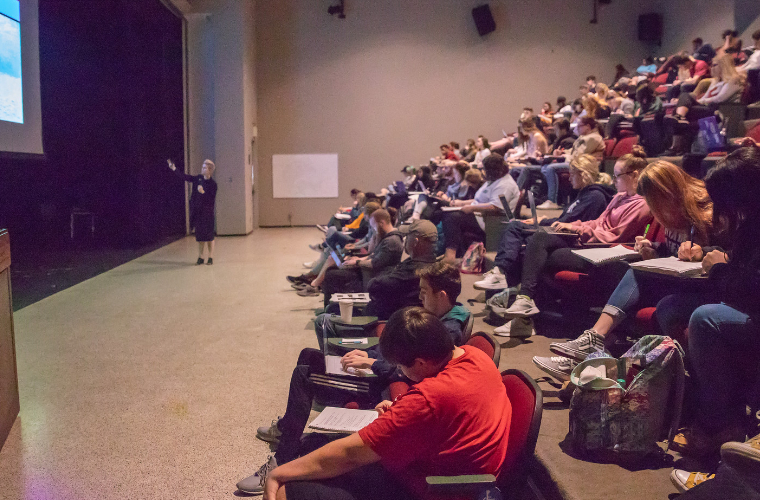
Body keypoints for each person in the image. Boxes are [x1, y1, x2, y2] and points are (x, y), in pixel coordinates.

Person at [235, 265, 472, 496]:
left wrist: (372, 363)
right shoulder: (436, 320)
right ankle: (288, 426)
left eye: (424, 292)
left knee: (306, 374)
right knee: (309, 357)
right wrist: (369, 355)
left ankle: (283, 457)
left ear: (441, 295)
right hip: (380, 371)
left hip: (379, 381)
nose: (420, 297)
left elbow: (408, 367)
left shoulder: (448, 330)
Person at [255, 307, 512, 500]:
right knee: (313, 445)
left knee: (289, 490)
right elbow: (450, 418)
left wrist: (279, 474)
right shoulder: (475, 356)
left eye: (401, 366)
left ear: (421, 362)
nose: (399, 371)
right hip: (457, 473)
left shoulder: (428, 399)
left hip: (433, 489)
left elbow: (350, 454)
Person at [533, 161, 714, 380]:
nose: (656, 213)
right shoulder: (668, 213)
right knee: (630, 271)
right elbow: (673, 253)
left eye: (657, 203)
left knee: (632, 276)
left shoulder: (706, 215)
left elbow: (725, 255)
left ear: (669, 194)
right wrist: (653, 253)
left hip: (700, 287)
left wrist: (702, 252)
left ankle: (592, 353)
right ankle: (591, 349)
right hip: (676, 279)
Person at [654, 146, 760, 457]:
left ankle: (721, 423)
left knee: (705, 319)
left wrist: (719, 268)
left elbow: (752, 289)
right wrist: (715, 257)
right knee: (669, 307)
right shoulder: (750, 221)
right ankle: (694, 399)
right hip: (746, 300)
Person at [503, 147, 653, 319]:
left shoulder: (642, 205)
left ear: (634, 175)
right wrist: (574, 225)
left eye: (617, 176)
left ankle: (526, 305)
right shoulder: (620, 197)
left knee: (541, 253)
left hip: (603, 251)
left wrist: (578, 229)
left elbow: (614, 236)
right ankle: (525, 301)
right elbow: (599, 222)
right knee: (540, 239)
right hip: (589, 244)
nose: (613, 180)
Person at [477, 154, 614, 294]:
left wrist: (543, 221)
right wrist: (543, 221)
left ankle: (502, 279)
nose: (569, 178)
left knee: (517, 229)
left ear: (582, 174)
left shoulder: (595, 197)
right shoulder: (584, 194)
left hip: (570, 238)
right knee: (517, 234)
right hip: (560, 232)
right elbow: (566, 219)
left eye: (572, 174)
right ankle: (501, 281)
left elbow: (569, 223)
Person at [441, 153, 519, 262]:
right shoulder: (493, 181)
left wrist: (471, 208)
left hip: (493, 221)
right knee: (442, 212)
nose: (483, 172)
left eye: (485, 169)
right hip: (480, 215)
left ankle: (450, 256)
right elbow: (480, 200)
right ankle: (445, 251)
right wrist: (461, 203)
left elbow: (496, 206)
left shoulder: (506, 185)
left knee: (452, 218)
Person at [664, 54, 746, 155]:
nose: (711, 68)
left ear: (723, 66)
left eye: (715, 65)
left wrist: (701, 101)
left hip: (720, 110)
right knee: (684, 104)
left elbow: (720, 98)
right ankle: (679, 122)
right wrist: (701, 101)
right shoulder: (715, 82)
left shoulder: (733, 80)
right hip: (708, 109)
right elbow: (705, 97)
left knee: (684, 98)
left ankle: (676, 144)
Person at [319, 209, 404, 306]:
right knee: (332, 270)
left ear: (381, 223)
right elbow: (374, 255)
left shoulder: (391, 241)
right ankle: (330, 306)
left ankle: (330, 308)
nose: (373, 229)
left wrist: (357, 262)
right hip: (369, 272)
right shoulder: (388, 238)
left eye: (374, 226)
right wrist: (358, 259)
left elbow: (374, 264)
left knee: (332, 274)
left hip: (372, 277)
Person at [537, 116, 604, 209]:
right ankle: (556, 198)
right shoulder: (584, 137)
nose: (577, 128)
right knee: (546, 167)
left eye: (579, 126)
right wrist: (562, 152)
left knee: (550, 168)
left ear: (587, 126)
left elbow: (579, 155)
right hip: (578, 162)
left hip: (586, 165)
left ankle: (552, 200)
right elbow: (573, 151)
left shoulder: (593, 138)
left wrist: (564, 156)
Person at [167, 159, 218, 265]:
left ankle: (211, 257)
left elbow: (211, 199)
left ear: (210, 170)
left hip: (208, 214)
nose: (202, 169)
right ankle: (201, 257)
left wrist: (203, 192)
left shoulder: (213, 184)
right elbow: (185, 177)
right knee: (200, 237)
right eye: (202, 167)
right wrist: (174, 169)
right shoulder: (198, 178)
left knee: (209, 237)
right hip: (199, 213)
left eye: (205, 168)